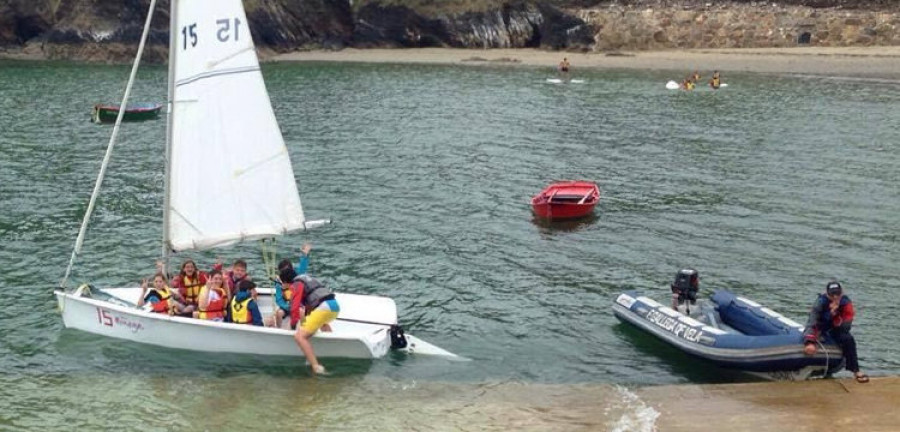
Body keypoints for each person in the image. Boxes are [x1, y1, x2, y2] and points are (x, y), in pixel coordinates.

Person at [803, 281, 868, 383]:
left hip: (836, 329)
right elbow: (812, 322)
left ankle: (856, 370)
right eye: (832, 294)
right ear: (827, 293)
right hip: (821, 328)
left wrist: (835, 314)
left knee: (849, 339)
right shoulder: (820, 303)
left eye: (837, 294)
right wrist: (809, 342)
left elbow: (846, 326)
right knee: (811, 339)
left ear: (841, 293)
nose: (835, 297)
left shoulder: (846, 303)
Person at [280, 265, 339, 375]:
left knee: (299, 336)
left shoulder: (295, 285)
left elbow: (294, 307)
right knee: (322, 324)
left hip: (324, 308)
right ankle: (334, 350)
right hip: (334, 306)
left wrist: (293, 327)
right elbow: (308, 311)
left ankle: (316, 366)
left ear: (285, 282)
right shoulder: (306, 279)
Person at [273, 243, 312, 328]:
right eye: (283, 272)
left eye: (287, 271)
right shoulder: (279, 282)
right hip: (286, 306)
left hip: (298, 305)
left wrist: (305, 254)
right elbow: (278, 298)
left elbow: (303, 267)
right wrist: (286, 306)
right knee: (278, 313)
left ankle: (304, 331)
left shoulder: (297, 276)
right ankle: (278, 330)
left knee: (301, 312)